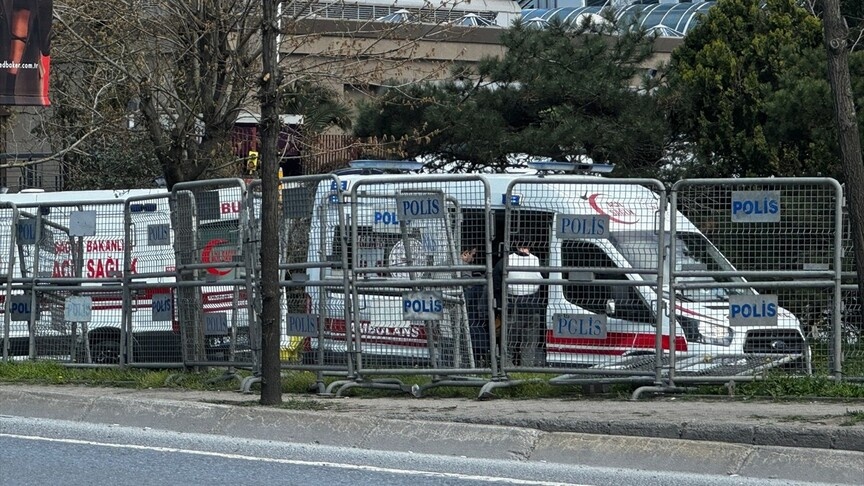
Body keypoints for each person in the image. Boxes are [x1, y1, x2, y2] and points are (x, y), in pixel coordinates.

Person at [493, 242, 545, 367]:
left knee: (508, 345)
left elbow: (496, 285)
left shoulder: (505, 261)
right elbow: (545, 282)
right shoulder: (537, 261)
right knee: (529, 346)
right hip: (532, 307)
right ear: (531, 246)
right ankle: (526, 373)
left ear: (515, 246)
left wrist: (500, 305)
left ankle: (507, 371)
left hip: (511, 306)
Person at [461, 247, 490, 366]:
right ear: (465, 253)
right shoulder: (462, 268)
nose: (473, 259)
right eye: (472, 255)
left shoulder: (462, 268)